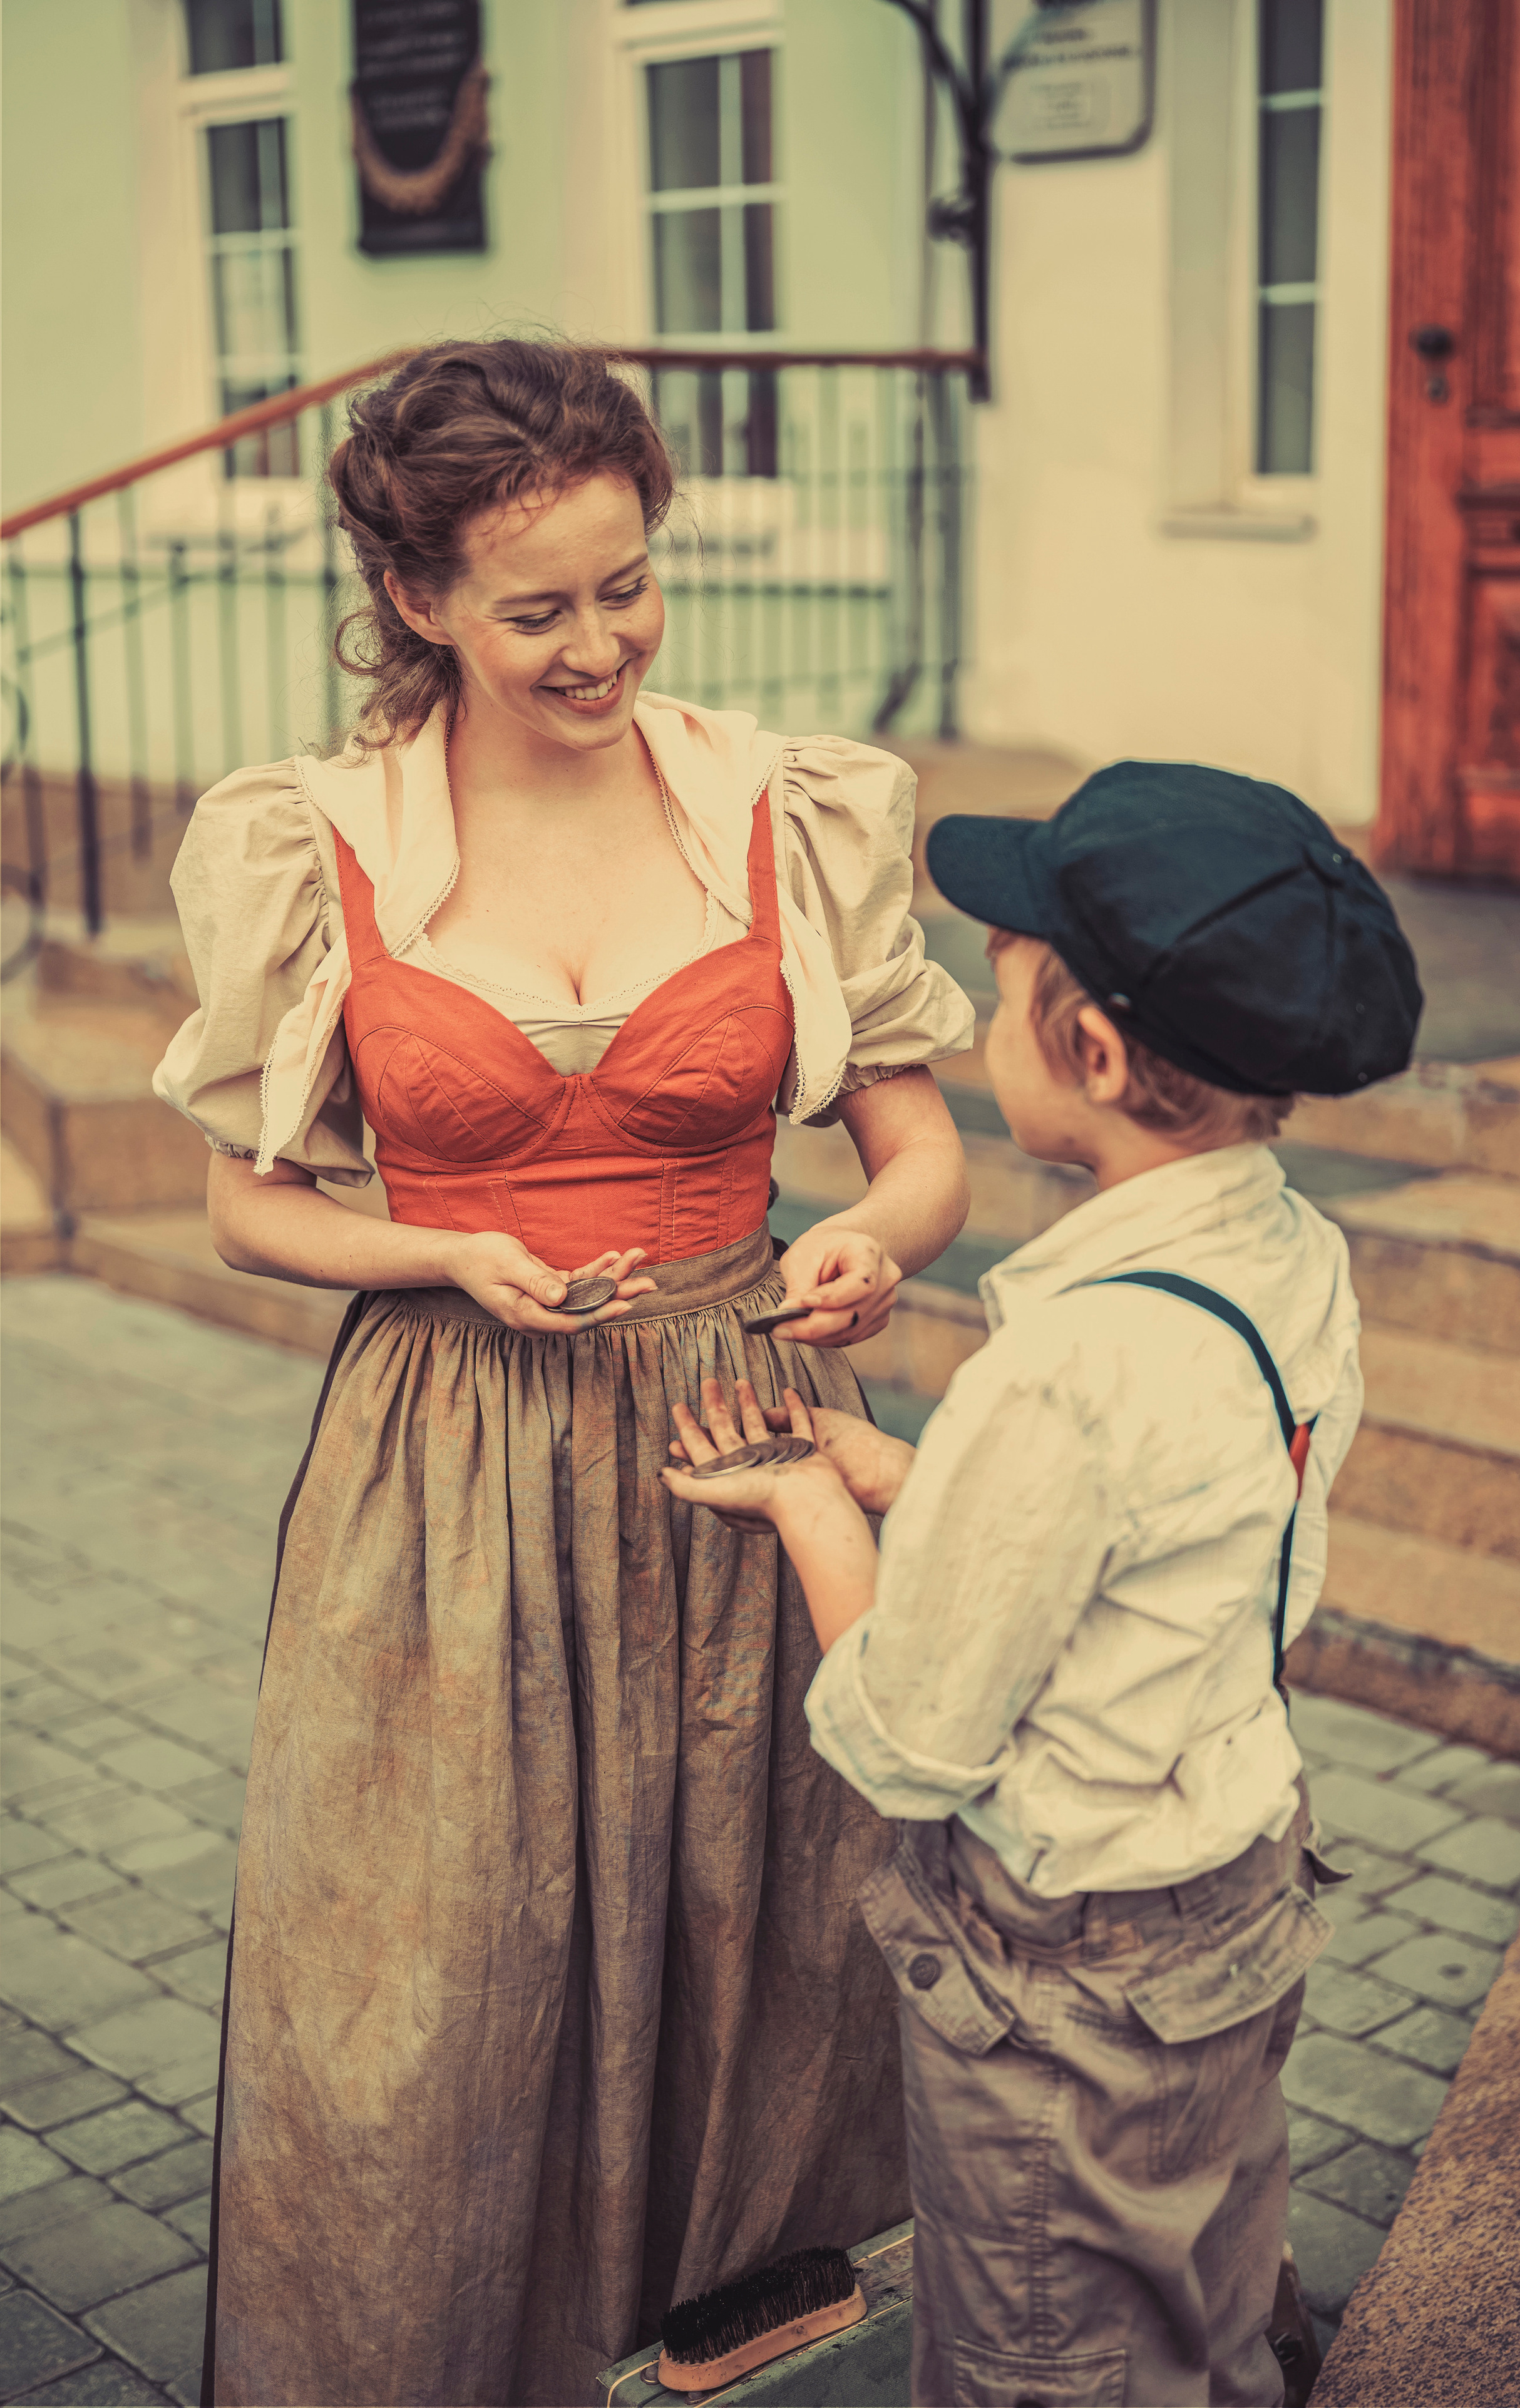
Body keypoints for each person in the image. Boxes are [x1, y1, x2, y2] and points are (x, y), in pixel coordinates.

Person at [151, 339, 975, 2408]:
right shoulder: (313, 840)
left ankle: (721, 2302)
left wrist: (878, 1240)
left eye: (630, 585)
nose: (600, 645)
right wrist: (441, 1248)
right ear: (415, 596)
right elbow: (249, 1210)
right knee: (441, 1953)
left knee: (749, 1909)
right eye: (540, 609)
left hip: (739, 1424)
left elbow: (922, 1150)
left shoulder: (784, 809)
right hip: (451, 1453)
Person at [662, 761, 1423, 2407]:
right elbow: (1171, 1526)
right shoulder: (1293, 1254)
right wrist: (921, 1481)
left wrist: (814, 1505)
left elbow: (909, 1740)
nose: (980, 1008)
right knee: (1209, 2313)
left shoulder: (1065, 1368)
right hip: (1235, 1880)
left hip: (1070, 1971)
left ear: (1091, 1056)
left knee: (1049, 2366)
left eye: (1002, 984)